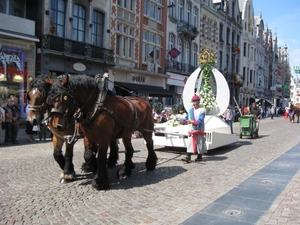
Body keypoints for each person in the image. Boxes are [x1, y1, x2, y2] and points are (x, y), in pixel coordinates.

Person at [181, 94, 207, 163]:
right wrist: (183, 121)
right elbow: (187, 118)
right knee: (190, 143)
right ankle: (188, 156)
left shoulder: (202, 110)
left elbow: (200, 121)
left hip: (199, 129)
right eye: (193, 102)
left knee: (199, 143)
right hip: (191, 130)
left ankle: (199, 156)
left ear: (198, 102)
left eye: (195, 102)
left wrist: (192, 121)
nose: (194, 103)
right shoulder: (190, 110)